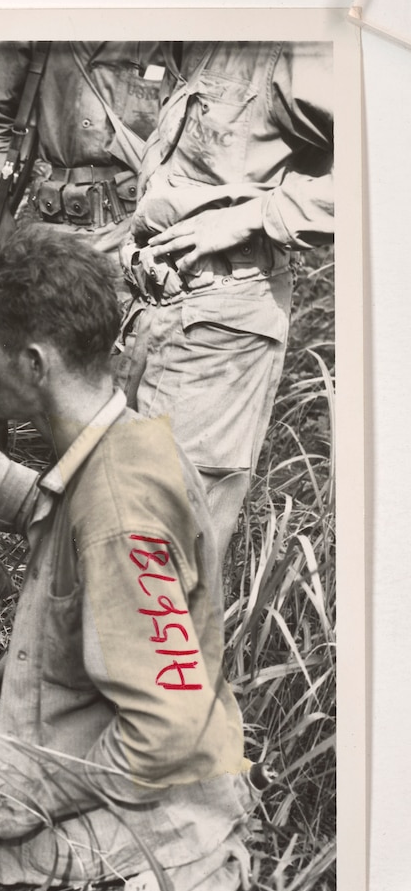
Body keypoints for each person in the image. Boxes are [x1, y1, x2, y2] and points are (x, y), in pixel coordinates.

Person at [0, 225, 262, 891]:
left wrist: (29, 794)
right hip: (94, 744)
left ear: (34, 363)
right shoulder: (122, 441)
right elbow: (61, 515)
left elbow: (165, 727)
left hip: (155, 804)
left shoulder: (120, 515)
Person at [120, 41, 334, 559]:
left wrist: (256, 216)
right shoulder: (200, 39)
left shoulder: (289, 48)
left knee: (166, 547)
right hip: (158, 310)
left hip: (220, 325)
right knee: (128, 517)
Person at [0, 41, 168, 447]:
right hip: (51, 227)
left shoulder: (163, 28)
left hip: (132, 226)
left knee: (123, 362)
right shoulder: (40, 28)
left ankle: (99, 476)